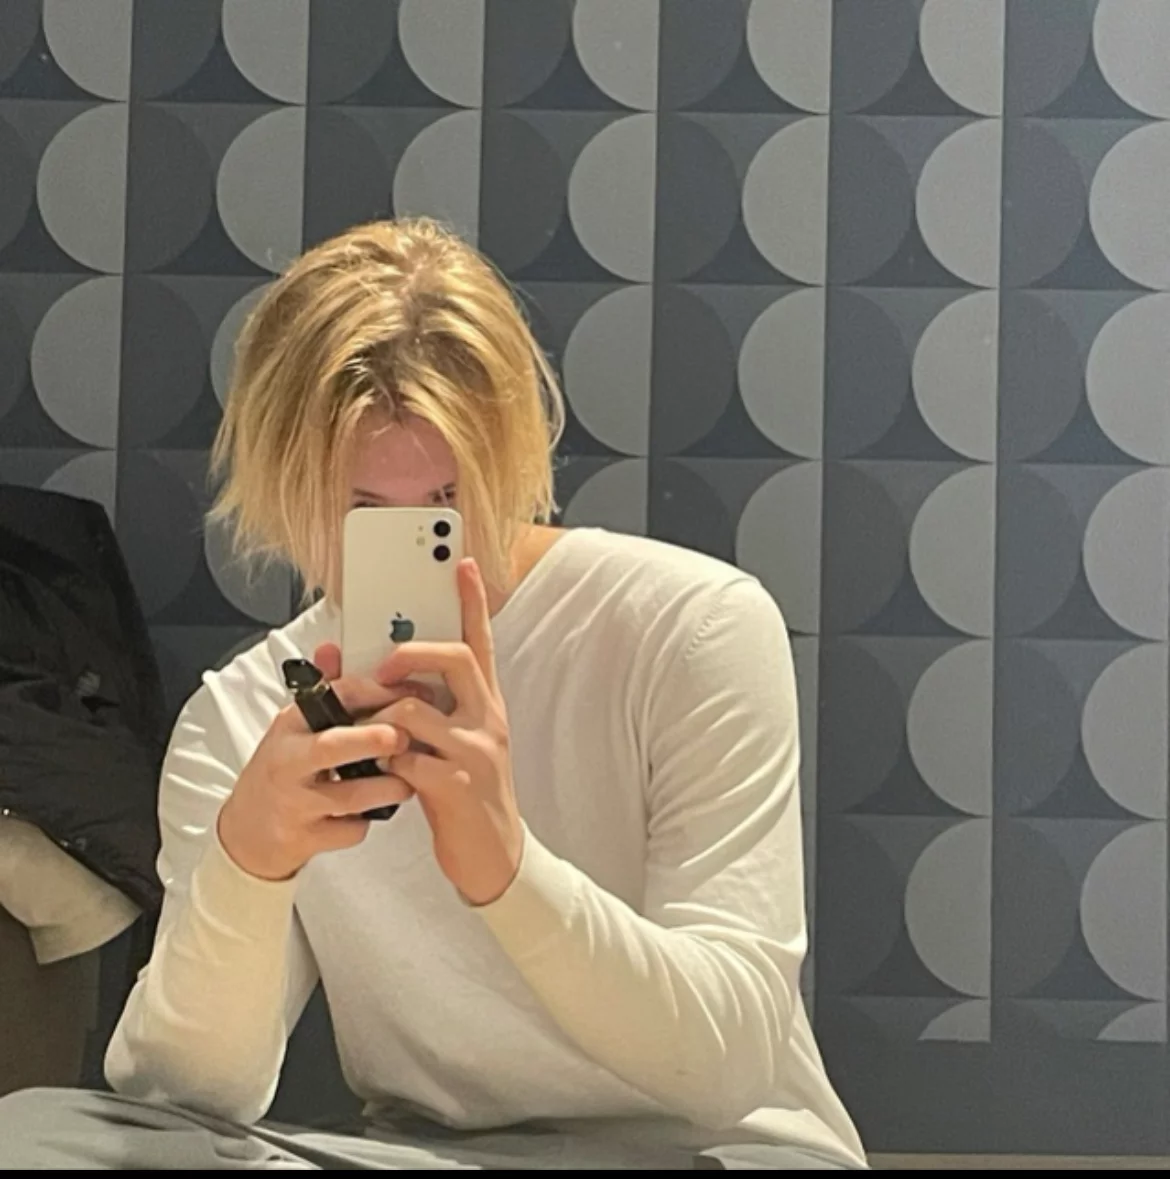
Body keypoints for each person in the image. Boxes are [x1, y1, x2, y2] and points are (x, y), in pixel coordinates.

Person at [0, 218, 867, 1171]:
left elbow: (726, 1071)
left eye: (447, 503)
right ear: (286, 488)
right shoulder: (244, 716)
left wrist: (508, 870)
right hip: (438, 1158)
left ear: (510, 462)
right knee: (36, 1135)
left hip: (719, 1152)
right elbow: (182, 1099)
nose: (413, 542)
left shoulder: (690, 627)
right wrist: (247, 865)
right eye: (363, 509)